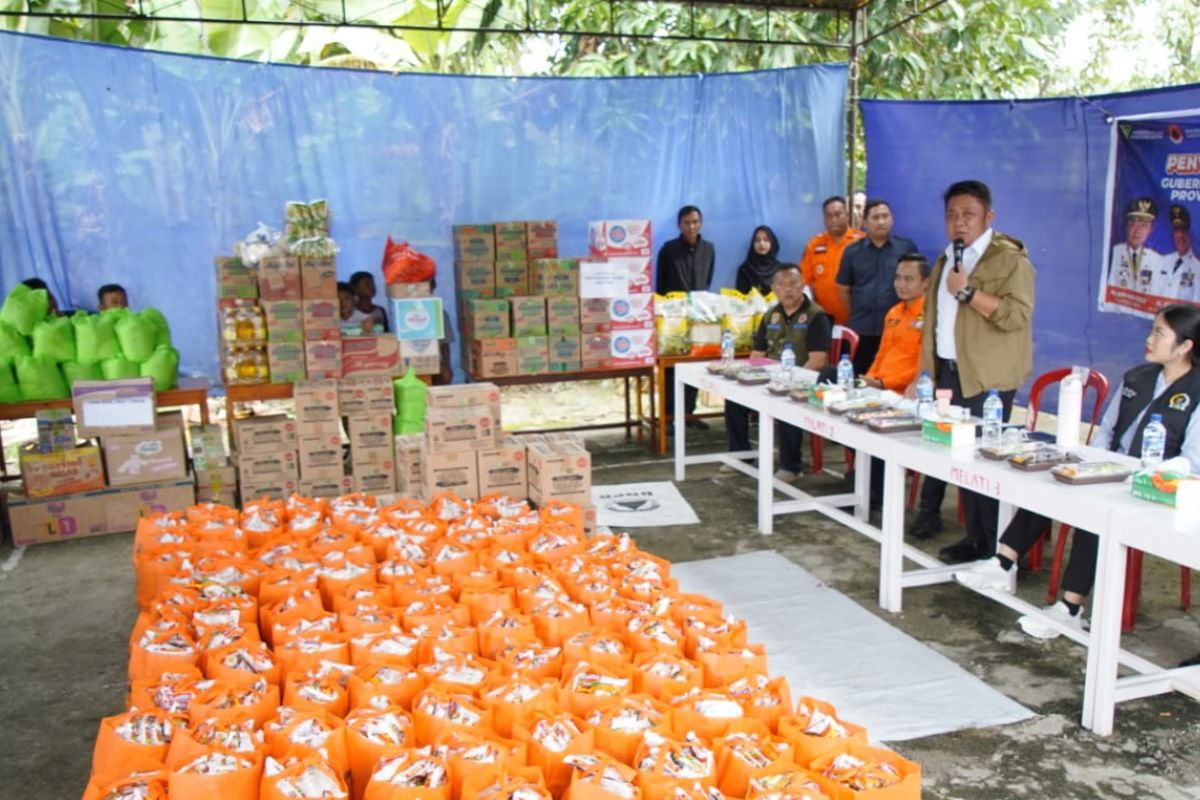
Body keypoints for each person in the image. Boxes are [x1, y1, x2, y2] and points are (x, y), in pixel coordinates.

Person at [954, 304, 1200, 638]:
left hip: (1157, 485)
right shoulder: (1138, 377)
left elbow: (1191, 460)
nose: (1149, 338)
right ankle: (1002, 562)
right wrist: (1092, 465)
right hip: (1112, 471)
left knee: (1096, 511)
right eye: (1151, 329)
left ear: (1185, 346)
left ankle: (1069, 608)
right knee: (1057, 480)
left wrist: (1142, 475)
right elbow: (1106, 431)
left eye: (1159, 332)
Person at [915, 179, 1035, 563]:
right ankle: (976, 539)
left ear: (989, 217)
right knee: (961, 459)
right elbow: (934, 320)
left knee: (986, 462)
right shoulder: (946, 257)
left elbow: (1016, 316)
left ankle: (999, 552)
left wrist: (968, 292)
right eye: (952, 215)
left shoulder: (1010, 260)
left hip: (989, 379)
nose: (959, 222)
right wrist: (927, 372)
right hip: (949, 373)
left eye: (969, 214)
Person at [721, 264, 830, 481]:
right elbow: (757, 355)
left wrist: (791, 382)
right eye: (781, 285)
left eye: (793, 284)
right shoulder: (771, 315)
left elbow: (818, 361)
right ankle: (741, 455)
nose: (788, 289)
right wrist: (750, 377)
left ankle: (792, 466)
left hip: (803, 381)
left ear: (803, 286)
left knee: (786, 402)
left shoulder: (816, 316)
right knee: (734, 398)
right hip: (770, 379)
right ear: (773, 288)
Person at [835, 198, 920, 375]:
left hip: (897, 330)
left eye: (885, 216)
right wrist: (857, 311)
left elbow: (918, 285)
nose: (881, 221)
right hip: (861, 329)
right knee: (859, 379)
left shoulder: (905, 247)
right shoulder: (852, 252)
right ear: (865, 223)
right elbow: (843, 288)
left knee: (890, 378)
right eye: (875, 217)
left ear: (892, 219)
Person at [657, 205, 715, 430]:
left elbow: (707, 279)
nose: (691, 226)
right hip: (673, 315)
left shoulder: (708, 249)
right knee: (672, 365)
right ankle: (668, 416)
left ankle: (689, 413)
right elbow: (661, 284)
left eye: (695, 222)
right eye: (687, 222)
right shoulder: (668, 249)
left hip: (700, 314)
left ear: (701, 223)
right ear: (679, 225)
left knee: (696, 363)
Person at [799, 197, 864, 328]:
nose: (833, 220)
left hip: (857, 320)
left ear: (847, 215)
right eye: (828, 216)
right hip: (824, 320)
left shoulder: (862, 242)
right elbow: (803, 281)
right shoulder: (814, 244)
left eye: (838, 214)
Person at [1108, 197, 1164, 293]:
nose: (1137, 230)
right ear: (1126, 226)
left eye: (1144, 225)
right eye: (1132, 223)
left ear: (1151, 229)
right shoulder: (1113, 253)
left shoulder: (1157, 260)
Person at [1163, 205, 1200, 301]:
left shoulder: (1197, 267)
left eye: (1184, 231)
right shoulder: (1162, 261)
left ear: (1190, 235)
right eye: (1177, 231)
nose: (1180, 236)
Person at [735, 226, 783, 296]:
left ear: (772, 243)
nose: (761, 243)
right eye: (757, 240)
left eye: (766, 240)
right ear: (753, 244)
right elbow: (740, 297)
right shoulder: (744, 269)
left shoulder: (781, 270)